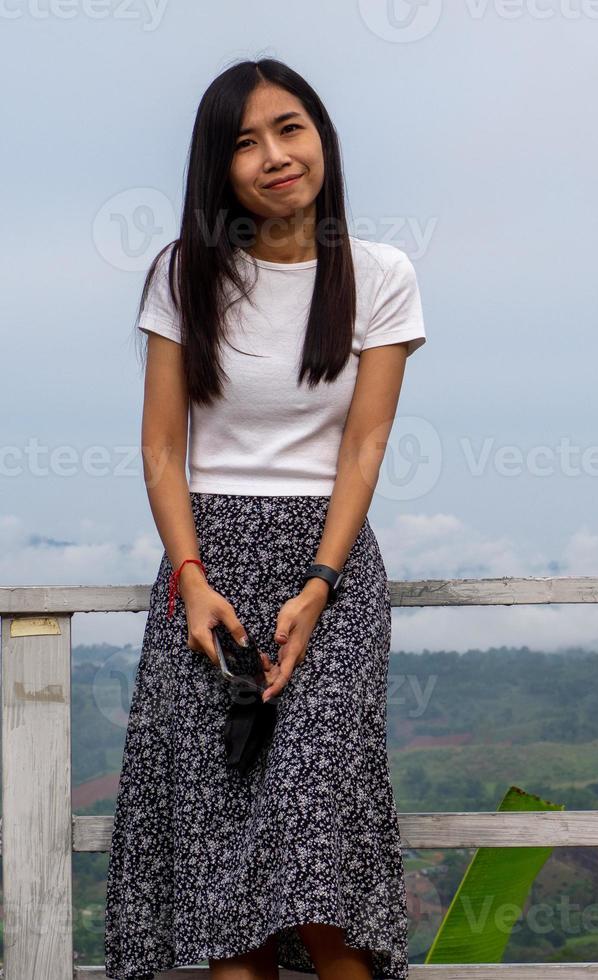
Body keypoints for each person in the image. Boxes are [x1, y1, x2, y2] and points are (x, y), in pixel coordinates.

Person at [104, 58, 424, 980]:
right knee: (223, 880)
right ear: (219, 168)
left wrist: (320, 585)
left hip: (329, 572)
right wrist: (191, 579)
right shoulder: (183, 274)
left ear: (321, 135)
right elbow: (163, 446)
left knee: (317, 862)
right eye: (246, 142)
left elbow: (363, 447)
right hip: (204, 570)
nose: (276, 156)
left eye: (290, 128)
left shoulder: (381, 274)